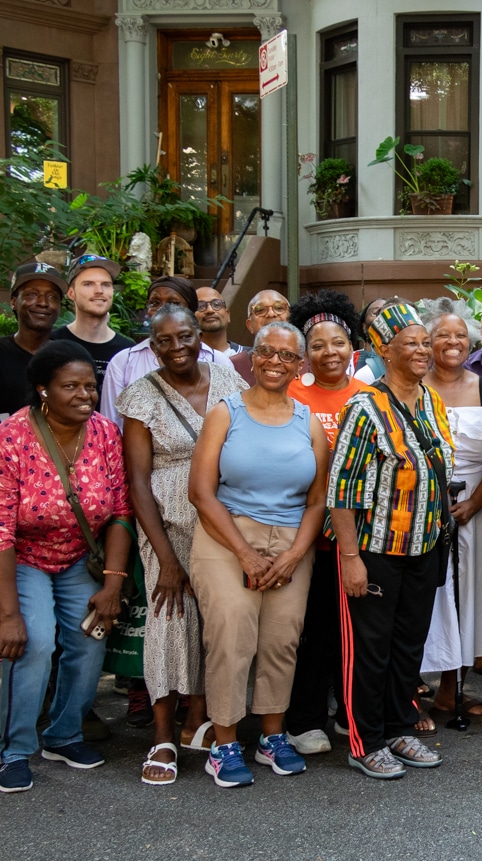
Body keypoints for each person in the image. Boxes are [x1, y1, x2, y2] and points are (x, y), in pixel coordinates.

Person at [187, 321, 329, 788]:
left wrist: (294, 555)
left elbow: (317, 500)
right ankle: (224, 743)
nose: (274, 362)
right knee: (231, 636)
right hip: (227, 536)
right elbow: (202, 493)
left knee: (281, 639)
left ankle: (272, 736)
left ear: (300, 365)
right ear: (253, 357)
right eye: (266, 352)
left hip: (291, 541)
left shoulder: (307, 420)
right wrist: (246, 553)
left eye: (287, 356)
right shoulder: (226, 412)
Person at [116, 306, 247, 785]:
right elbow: (137, 481)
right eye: (164, 341)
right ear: (153, 346)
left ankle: (204, 721)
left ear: (200, 336)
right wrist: (166, 559)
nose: (176, 348)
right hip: (167, 525)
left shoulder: (229, 380)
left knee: (219, 620)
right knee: (170, 620)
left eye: (184, 336)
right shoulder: (141, 396)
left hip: (225, 520)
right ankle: (164, 735)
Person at [0, 341, 132, 793]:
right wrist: (8, 613)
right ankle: (13, 749)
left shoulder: (104, 433)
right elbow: (1, 528)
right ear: (43, 390)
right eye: (70, 386)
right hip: (23, 558)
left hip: (81, 556)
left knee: (88, 638)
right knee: (32, 643)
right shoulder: (12, 436)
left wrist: (113, 583)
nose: (84, 395)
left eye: (90, 387)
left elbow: (119, 511)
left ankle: (64, 734)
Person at [328, 301, 452, 778]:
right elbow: (341, 490)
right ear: (383, 348)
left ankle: (401, 727)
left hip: (423, 547)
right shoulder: (364, 407)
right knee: (369, 649)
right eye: (412, 344)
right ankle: (366, 740)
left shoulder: (432, 400)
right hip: (376, 550)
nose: (423, 350)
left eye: (426, 341)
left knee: (408, 646)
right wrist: (351, 558)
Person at [283, 290, 370, 755]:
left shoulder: (369, 396)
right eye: (317, 345)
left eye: (337, 343)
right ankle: (305, 719)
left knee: (351, 628)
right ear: (304, 354)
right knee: (311, 628)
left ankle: (347, 713)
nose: (329, 353)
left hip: (356, 535)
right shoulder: (291, 394)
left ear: (352, 348)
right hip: (305, 530)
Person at [419, 299, 482, 715]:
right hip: (420, 507)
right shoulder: (413, 389)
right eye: (441, 336)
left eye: (458, 336)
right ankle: (412, 690)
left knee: (467, 594)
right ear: (426, 343)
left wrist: (475, 501)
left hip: (474, 505)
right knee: (426, 596)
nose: (451, 342)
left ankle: (454, 688)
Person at [100, 276, 233, 426]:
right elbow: (111, 425)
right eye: (155, 303)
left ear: (190, 310)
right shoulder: (124, 362)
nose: (163, 309)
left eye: (174, 303)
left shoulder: (218, 361)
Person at [50, 254, 134, 403]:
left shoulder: (128, 351)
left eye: (106, 284)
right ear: (71, 293)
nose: (99, 291)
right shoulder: (53, 344)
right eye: (88, 284)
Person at [0, 261, 66, 418]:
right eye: (32, 294)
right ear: (14, 302)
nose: (43, 303)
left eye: (52, 297)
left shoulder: (68, 358)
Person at [230, 289, 291, 385]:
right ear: (250, 325)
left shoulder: (308, 363)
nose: (271, 314)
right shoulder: (232, 365)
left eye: (279, 308)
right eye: (260, 309)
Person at [195, 285, 246, 356]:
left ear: (228, 315)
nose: (210, 310)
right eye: (201, 306)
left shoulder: (249, 357)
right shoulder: (187, 359)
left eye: (216, 304)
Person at [352, 297, 387, 380]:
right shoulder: (349, 361)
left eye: (386, 313)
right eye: (375, 312)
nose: (381, 316)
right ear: (364, 327)